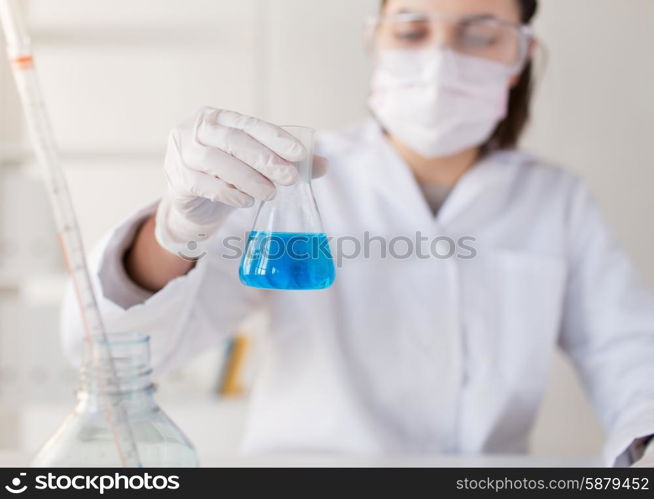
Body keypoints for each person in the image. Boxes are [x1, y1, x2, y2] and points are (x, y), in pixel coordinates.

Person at [62, 0, 654, 466]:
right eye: (413, 30)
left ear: (521, 53)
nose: (441, 59)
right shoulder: (287, 176)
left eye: (480, 33)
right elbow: (112, 356)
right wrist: (175, 230)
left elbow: (629, 353)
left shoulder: (556, 199)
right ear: (375, 38)